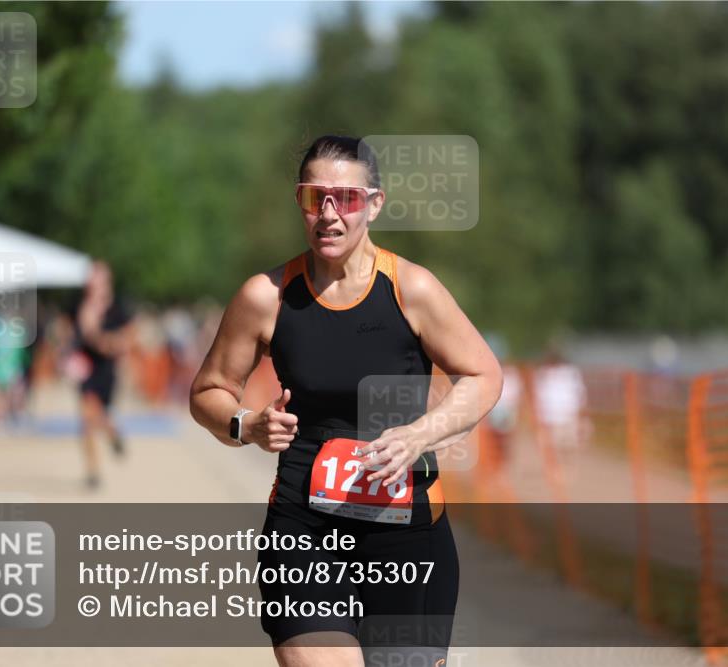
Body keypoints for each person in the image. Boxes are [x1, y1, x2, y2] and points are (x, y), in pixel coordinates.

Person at [190, 135, 503, 667]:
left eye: (347, 199)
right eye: (316, 198)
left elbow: (484, 374)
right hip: (303, 529)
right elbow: (208, 392)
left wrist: (420, 434)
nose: (329, 215)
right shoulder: (266, 296)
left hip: (406, 537)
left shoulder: (412, 289)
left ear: (374, 204)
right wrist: (247, 425)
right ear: (301, 203)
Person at [69, 261, 135, 490]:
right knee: (87, 420)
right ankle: (93, 471)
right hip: (87, 370)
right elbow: (78, 335)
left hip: (107, 370)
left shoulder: (117, 308)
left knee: (101, 416)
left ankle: (114, 434)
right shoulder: (81, 306)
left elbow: (126, 339)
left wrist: (104, 341)